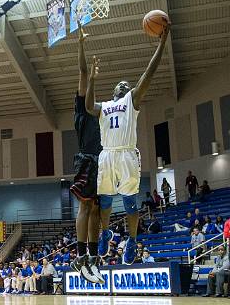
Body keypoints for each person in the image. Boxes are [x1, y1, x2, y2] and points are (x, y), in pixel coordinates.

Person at [86, 24, 170, 265]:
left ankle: (132, 241)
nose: (124, 85)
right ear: (114, 91)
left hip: (126, 155)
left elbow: (148, 74)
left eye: (126, 84)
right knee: (105, 202)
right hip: (107, 155)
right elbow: (88, 105)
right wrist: (91, 78)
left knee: (130, 202)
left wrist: (161, 44)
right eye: (120, 84)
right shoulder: (103, 106)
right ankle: (105, 232)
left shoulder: (131, 99)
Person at [69, 24, 103, 284]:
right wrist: (80, 43)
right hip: (86, 159)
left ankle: (92, 256)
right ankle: (80, 253)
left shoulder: (98, 110)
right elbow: (81, 71)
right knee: (85, 205)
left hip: (101, 160)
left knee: (95, 210)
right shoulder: (82, 109)